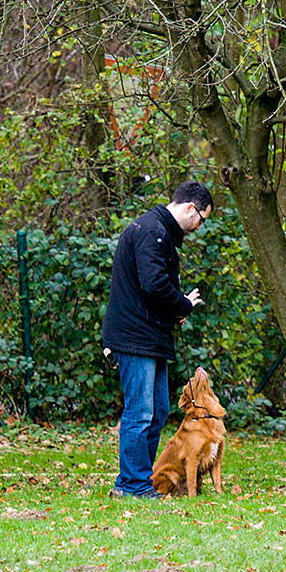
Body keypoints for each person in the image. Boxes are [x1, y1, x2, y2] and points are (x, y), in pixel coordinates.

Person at [102, 180, 213, 499]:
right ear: (191, 208)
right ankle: (132, 486)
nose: (198, 227)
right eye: (201, 220)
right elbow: (153, 286)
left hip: (149, 334)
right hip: (134, 337)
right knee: (140, 412)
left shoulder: (156, 230)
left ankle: (136, 481)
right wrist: (182, 304)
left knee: (159, 409)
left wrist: (174, 310)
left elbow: (149, 289)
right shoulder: (152, 231)